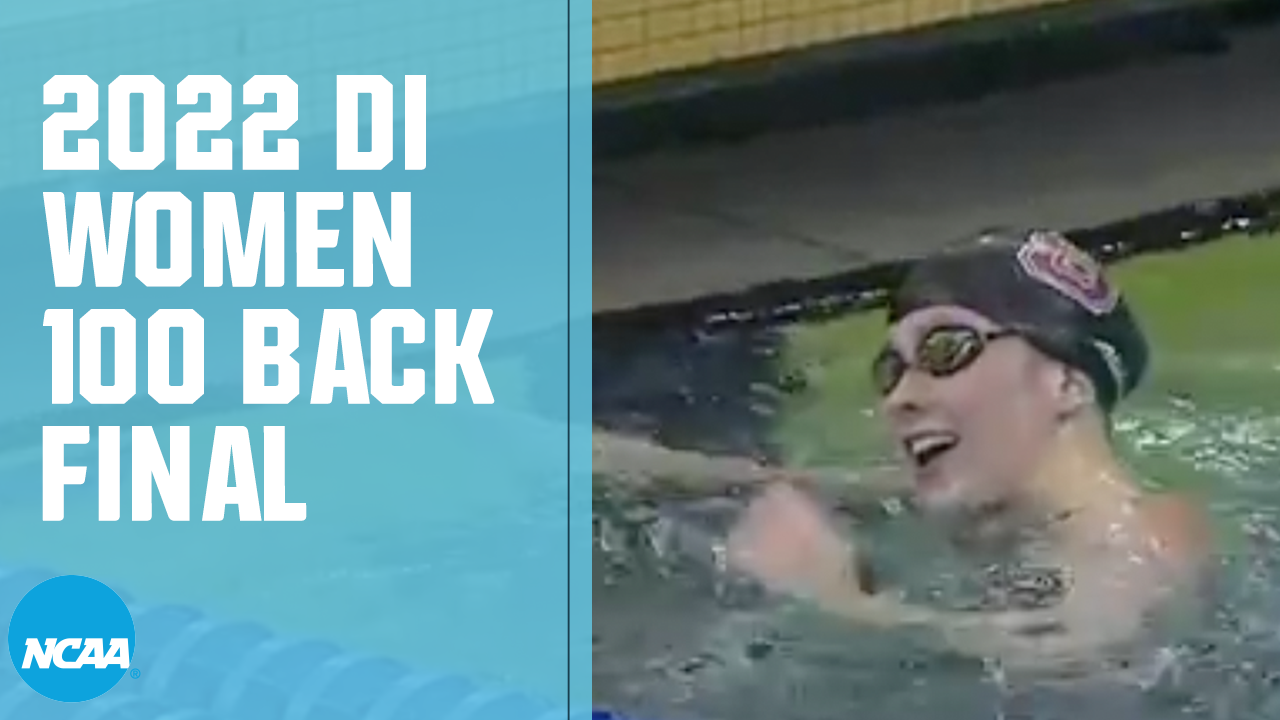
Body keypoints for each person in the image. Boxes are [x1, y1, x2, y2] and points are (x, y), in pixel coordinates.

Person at [593, 227, 1214, 680]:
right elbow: (776, 480)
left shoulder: (1147, 533)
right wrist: (597, 458)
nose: (899, 398)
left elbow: (1075, 659)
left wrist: (836, 600)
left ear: (1068, 384)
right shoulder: (991, 510)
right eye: (891, 370)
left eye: (947, 351)